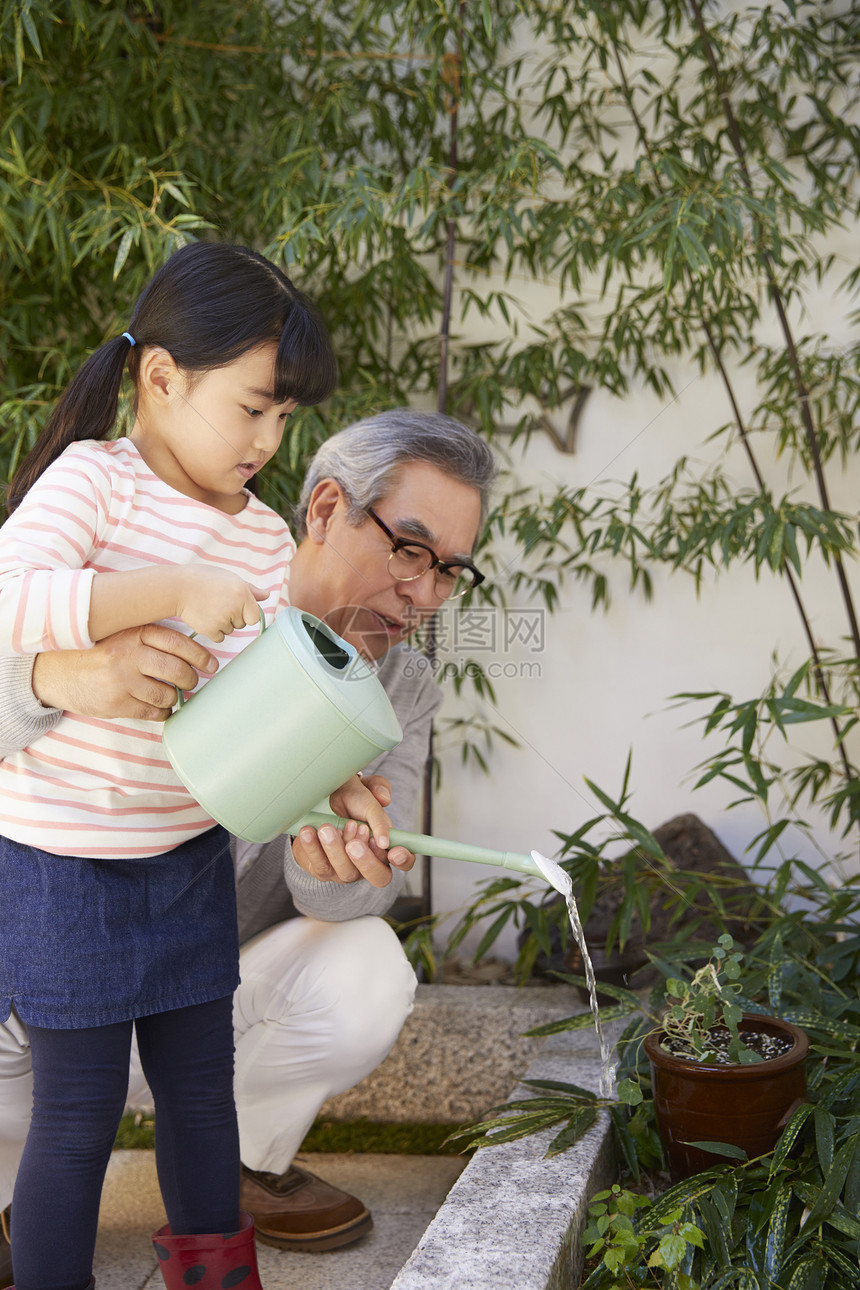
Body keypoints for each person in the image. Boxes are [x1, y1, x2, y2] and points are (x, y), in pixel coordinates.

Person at [0, 410, 497, 1275]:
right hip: (42, 984)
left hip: (197, 985)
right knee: (60, 1140)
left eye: (450, 570)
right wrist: (55, 676)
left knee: (366, 964)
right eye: (410, 550)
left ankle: (240, 1167)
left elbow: (362, 887)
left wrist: (336, 865)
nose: (425, 594)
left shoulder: (399, 688)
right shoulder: (179, 583)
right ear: (326, 508)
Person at [0, 242, 402, 1290]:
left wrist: (334, 786)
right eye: (252, 410)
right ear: (162, 378)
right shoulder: (94, 484)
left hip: (183, 857)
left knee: (200, 1096)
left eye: (284, 419)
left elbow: (264, 712)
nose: (270, 442)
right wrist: (167, 589)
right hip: (63, 866)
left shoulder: (268, 543)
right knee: (77, 1116)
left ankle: (217, 1277)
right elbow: (9, 600)